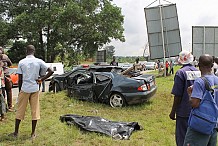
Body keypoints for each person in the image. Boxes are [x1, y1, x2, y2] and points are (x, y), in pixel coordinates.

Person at [8, 45, 53, 138]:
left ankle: (16, 132)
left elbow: (20, 79)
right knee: (35, 111)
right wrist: (41, 79)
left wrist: (20, 90)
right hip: (35, 88)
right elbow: (51, 71)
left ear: (26, 51)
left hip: (25, 88)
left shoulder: (21, 62)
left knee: (20, 110)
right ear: (34, 51)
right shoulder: (39, 61)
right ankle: (33, 133)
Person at [183, 54, 218, 146]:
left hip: (200, 125)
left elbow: (195, 103)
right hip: (214, 124)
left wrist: (190, 93)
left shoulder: (199, 81)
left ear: (198, 65)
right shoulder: (217, 80)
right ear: (212, 66)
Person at [169, 50, 200, 146]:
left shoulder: (180, 73)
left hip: (184, 111)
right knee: (194, 137)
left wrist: (173, 111)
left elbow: (177, 95)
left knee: (182, 137)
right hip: (197, 109)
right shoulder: (198, 72)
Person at [0, 46, 13, 112]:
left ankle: (4, 108)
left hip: (1, 76)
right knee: (9, 91)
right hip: (7, 75)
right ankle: (10, 106)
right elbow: (10, 64)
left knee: (2, 92)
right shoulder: (5, 56)